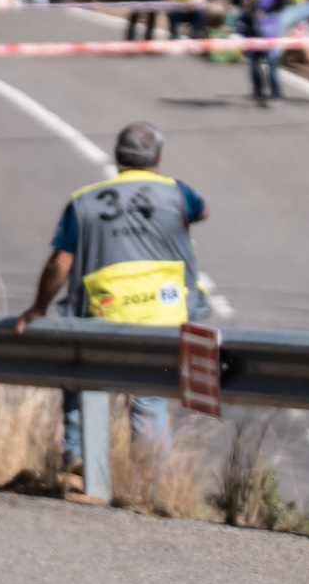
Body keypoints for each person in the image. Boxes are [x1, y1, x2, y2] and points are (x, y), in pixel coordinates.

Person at [12, 122, 211, 469]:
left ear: (116, 157)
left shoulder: (84, 203)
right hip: (164, 315)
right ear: (159, 158)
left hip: (101, 312)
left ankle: (78, 461)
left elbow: (61, 262)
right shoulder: (178, 194)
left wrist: (38, 307)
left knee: (82, 380)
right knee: (147, 398)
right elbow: (203, 211)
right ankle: (149, 482)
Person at [238, 0, 285, 105]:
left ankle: (276, 92)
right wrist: (243, 3)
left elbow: (281, 3)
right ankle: (258, 91)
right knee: (253, 61)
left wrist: (267, 11)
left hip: (268, 24)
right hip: (250, 24)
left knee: (270, 59)